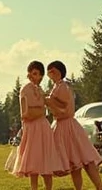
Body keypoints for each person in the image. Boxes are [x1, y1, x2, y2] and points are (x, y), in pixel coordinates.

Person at [45, 61, 102, 190]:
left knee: (84, 159)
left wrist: (47, 101)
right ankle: (87, 187)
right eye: (49, 71)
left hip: (67, 126)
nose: (50, 74)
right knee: (75, 162)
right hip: (62, 125)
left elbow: (63, 107)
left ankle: (100, 186)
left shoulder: (62, 87)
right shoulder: (59, 86)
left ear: (59, 72)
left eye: (52, 71)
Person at [9, 61, 65, 190]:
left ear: (41, 76)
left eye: (35, 74)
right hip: (32, 129)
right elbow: (26, 113)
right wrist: (40, 111)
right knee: (33, 163)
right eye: (30, 73)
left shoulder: (40, 90)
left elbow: (45, 107)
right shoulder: (26, 89)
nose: (32, 76)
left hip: (43, 128)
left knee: (46, 163)